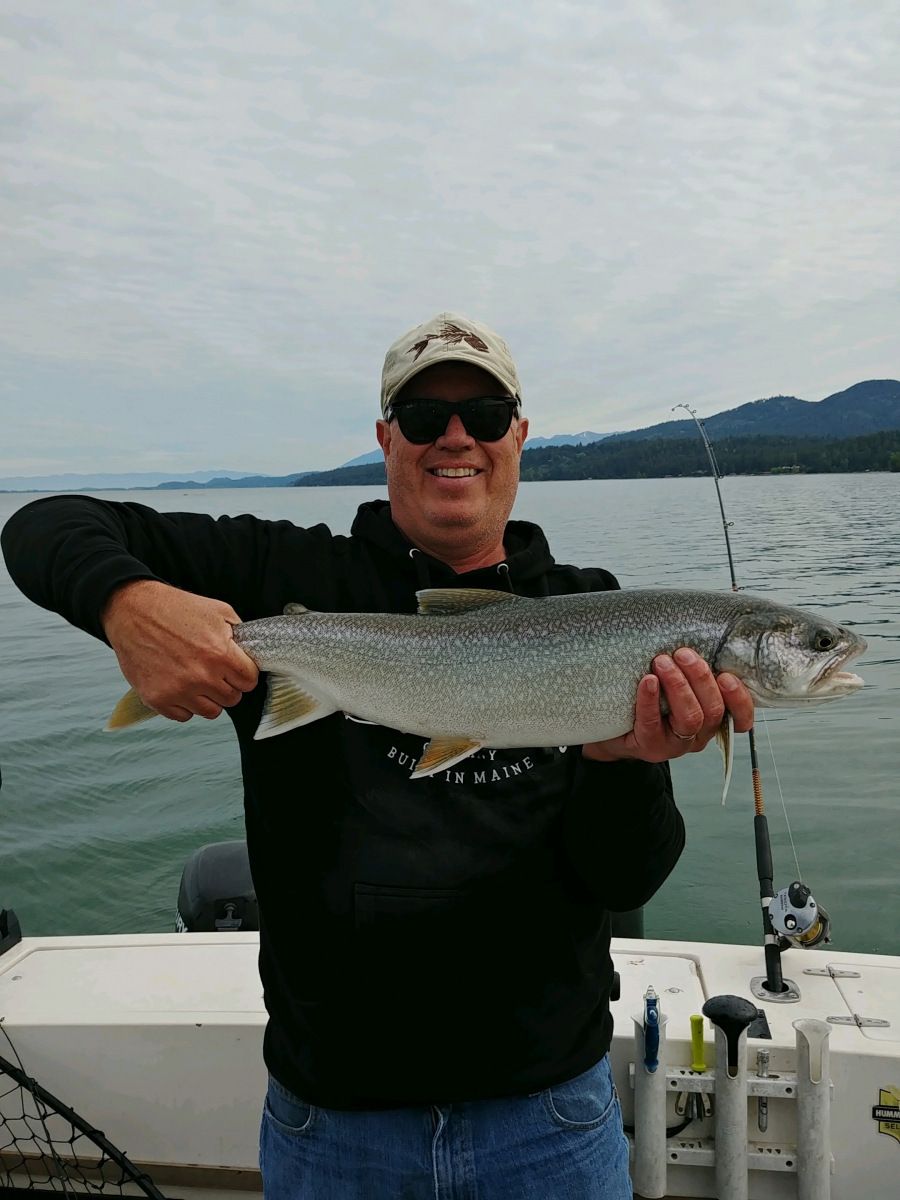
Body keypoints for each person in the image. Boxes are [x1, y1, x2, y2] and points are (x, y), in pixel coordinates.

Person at [1, 312, 754, 1199]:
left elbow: (622, 878)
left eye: (482, 410)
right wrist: (126, 604)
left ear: (519, 433)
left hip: (549, 1116)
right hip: (333, 1126)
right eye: (425, 417)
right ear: (385, 436)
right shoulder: (282, 575)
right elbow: (46, 525)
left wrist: (628, 761)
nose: (456, 437)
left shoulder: (595, 615)